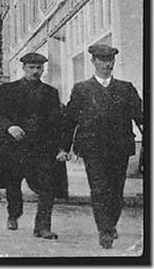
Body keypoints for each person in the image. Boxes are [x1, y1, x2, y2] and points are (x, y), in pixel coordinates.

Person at [57, 44, 143, 249]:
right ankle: (104, 231)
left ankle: (111, 223)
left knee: (116, 190)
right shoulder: (82, 89)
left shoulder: (126, 88)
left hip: (120, 148)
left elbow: (140, 116)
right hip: (92, 148)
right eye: (102, 60)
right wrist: (64, 148)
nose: (107, 64)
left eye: (110, 61)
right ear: (93, 62)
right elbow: (70, 121)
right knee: (98, 189)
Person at [0, 52, 67, 239]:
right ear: (23, 69)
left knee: (47, 187)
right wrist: (9, 127)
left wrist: (60, 148)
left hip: (41, 148)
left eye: (38, 68)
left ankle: (42, 227)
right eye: (31, 67)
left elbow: (57, 123)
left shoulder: (50, 93)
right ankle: (13, 214)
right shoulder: (8, 90)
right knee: (13, 184)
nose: (35, 71)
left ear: (43, 69)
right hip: (14, 147)